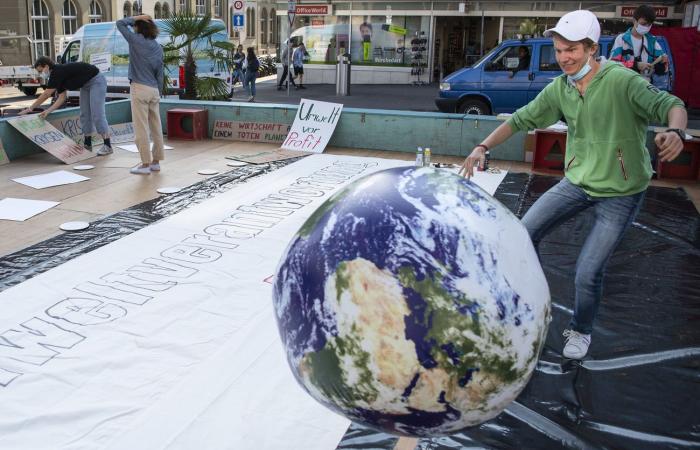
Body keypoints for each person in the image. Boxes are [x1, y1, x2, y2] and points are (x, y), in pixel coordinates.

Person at [459, 10, 687, 360]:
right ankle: (527, 306)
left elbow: (671, 105)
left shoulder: (621, 81)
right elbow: (521, 119)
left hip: (621, 192)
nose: (564, 58)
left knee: (587, 272)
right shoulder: (561, 89)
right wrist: (482, 146)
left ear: (592, 48)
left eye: (572, 50)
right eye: (559, 50)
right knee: (522, 235)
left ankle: (581, 330)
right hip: (578, 181)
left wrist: (675, 131)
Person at [20, 57, 113, 155]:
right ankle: (87, 144)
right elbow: (62, 98)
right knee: (84, 114)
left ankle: (107, 145)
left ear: (46, 66)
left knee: (97, 113)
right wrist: (48, 111)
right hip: (85, 85)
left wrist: (30, 108)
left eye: (41, 71)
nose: (41, 74)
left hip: (96, 80)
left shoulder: (57, 72)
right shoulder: (56, 76)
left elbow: (46, 94)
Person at [116, 14, 165, 175]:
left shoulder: (135, 41)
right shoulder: (158, 47)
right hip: (154, 89)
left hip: (139, 88)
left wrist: (137, 17)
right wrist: (159, 90)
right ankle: (156, 162)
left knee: (141, 128)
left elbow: (120, 24)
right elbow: (160, 72)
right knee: (156, 127)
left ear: (139, 27)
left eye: (136, 25)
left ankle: (145, 164)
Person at [610, 5, 668, 82]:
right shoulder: (621, 39)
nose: (646, 27)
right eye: (643, 24)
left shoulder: (652, 41)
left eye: (649, 24)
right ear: (634, 21)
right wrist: (636, 65)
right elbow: (612, 65)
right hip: (624, 87)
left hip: (644, 87)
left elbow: (664, 69)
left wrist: (661, 62)